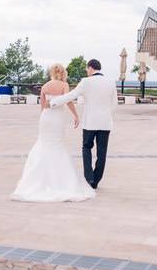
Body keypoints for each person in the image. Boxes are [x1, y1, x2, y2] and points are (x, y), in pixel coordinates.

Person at [10, 63, 95, 202]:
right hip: (57, 118)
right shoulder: (64, 85)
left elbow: (42, 106)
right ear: (63, 73)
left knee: (43, 143)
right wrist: (76, 115)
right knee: (57, 144)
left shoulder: (45, 86)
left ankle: (38, 179)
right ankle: (59, 180)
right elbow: (68, 102)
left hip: (46, 118)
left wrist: (43, 119)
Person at [49, 59, 117, 189]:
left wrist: (54, 102)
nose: (87, 71)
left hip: (90, 123)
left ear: (90, 68)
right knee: (102, 152)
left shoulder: (86, 82)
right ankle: (95, 181)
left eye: (87, 69)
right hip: (105, 123)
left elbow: (72, 95)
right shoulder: (110, 82)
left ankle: (89, 177)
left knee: (86, 148)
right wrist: (106, 114)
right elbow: (115, 104)